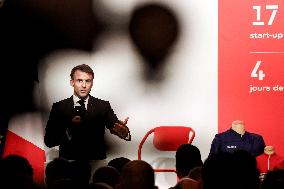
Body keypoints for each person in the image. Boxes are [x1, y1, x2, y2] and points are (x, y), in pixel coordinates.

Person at [44, 64, 131, 160]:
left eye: (88, 81)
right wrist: (69, 128)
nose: (84, 85)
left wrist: (124, 132)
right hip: (68, 166)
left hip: (96, 165)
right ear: (72, 82)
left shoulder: (103, 106)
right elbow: (49, 141)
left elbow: (117, 129)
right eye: (79, 81)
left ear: (92, 83)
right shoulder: (59, 108)